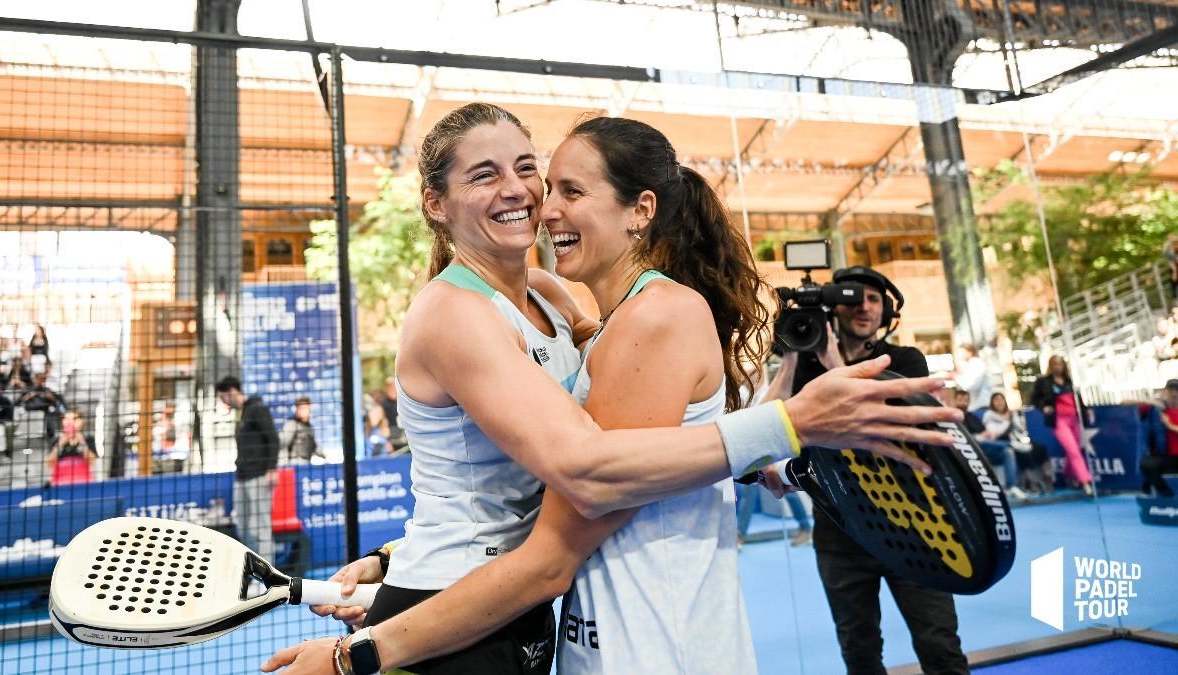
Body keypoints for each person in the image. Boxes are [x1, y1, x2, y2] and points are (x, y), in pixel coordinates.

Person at [261, 104, 958, 675]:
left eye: (535, 173)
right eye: (485, 174)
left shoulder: (565, 304)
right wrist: (788, 423)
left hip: (541, 612)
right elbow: (585, 471)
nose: (528, 195)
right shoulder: (459, 311)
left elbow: (620, 438)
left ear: (641, 210)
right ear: (436, 203)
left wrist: (762, 449)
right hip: (478, 608)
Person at [764, 265, 969, 675]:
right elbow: (767, 426)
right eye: (853, 298)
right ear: (834, 311)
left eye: (874, 299)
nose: (864, 307)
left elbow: (870, 423)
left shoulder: (904, 360)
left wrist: (831, 361)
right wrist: (790, 357)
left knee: (940, 645)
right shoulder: (807, 367)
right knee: (859, 653)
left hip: (914, 526)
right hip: (841, 533)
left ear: (887, 311)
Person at [216, 375, 279, 563]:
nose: (224, 403)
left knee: (261, 527)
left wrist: (271, 468)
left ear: (231, 392)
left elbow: (273, 438)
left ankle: (269, 578)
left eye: (223, 398)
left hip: (259, 475)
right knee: (243, 527)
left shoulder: (257, 408)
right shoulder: (242, 413)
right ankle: (256, 572)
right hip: (242, 476)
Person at [1030, 355, 1094, 496]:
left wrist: (1085, 409)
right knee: (1073, 451)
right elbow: (1034, 399)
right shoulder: (1044, 382)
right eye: (1055, 364)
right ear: (1051, 366)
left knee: (1075, 449)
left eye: (1060, 364)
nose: (1058, 367)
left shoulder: (1069, 381)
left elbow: (1078, 400)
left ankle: (1068, 475)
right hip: (1059, 421)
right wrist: (1044, 407)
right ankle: (1086, 482)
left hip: (1074, 419)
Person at [967, 391, 1028, 499]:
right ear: (992, 403)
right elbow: (993, 435)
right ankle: (1012, 445)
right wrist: (1005, 420)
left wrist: (1013, 417)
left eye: (1001, 400)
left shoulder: (973, 417)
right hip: (986, 447)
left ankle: (1012, 487)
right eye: (996, 400)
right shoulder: (989, 414)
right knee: (988, 442)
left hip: (1000, 447)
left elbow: (1020, 429)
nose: (999, 403)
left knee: (1008, 451)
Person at [1144, 379, 1178, 497]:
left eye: (1176, 391)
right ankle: (1167, 496)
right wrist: (1152, 401)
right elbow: (1124, 402)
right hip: (1168, 456)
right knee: (1147, 465)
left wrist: (1170, 426)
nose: (1174, 394)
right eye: (1171, 391)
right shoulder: (1158, 410)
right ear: (1166, 392)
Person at [45, 409, 97, 485]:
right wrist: (60, 445)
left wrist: (82, 442)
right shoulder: (55, 440)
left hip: (83, 482)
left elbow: (91, 461)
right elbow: (50, 464)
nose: (70, 422)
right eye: (66, 419)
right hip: (60, 483)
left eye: (74, 419)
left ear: (81, 421)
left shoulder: (88, 439)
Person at [280, 397, 323, 465]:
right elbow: (283, 443)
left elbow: (314, 446)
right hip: (294, 463)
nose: (304, 411)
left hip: (307, 464)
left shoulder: (309, 427)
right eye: (301, 408)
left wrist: (324, 455)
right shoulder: (292, 424)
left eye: (306, 408)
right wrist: (283, 464)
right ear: (297, 410)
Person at [152, 402, 190, 474]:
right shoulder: (158, 429)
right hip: (161, 460)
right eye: (167, 415)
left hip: (176, 459)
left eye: (171, 415)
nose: (170, 417)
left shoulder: (178, 426)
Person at [953, 343, 991, 412]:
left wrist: (955, 377)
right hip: (974, 406)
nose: (960, 355)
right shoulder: (969, 365)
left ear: (970, 352)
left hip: (980, 406)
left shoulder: (976, 364)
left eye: (962, 352)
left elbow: (971, 385)